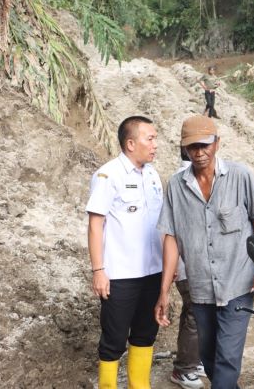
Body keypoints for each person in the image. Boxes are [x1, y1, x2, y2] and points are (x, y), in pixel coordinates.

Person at [154, 115, 254, 389]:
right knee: (208, 359)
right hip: (201, 288)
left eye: (204, 145)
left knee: (227, 360)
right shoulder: (176, 186)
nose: (199, 152)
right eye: (192, 147)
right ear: (185, 149)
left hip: (237, 285)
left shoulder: (240, 176)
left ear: (217, 143)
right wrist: (164, 291)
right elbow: (170, 238)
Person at [86, 115, 163, 389]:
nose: (155, 144)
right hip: (120, 275)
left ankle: (139, 386)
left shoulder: (153, 175)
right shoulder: (108, 175)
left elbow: (159, 224)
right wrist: (99, 270)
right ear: (131, 143)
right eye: (150, 138)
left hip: (153, 271)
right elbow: (96, 225)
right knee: (114, 340)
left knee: (145, 334)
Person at [170, 148, 205, 389]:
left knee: (195, 313)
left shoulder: (188, 179)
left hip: (194, 265)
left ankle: (193, 359)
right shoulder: (185, 184)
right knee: (195, 313)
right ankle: (184, 368)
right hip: (188, 265)